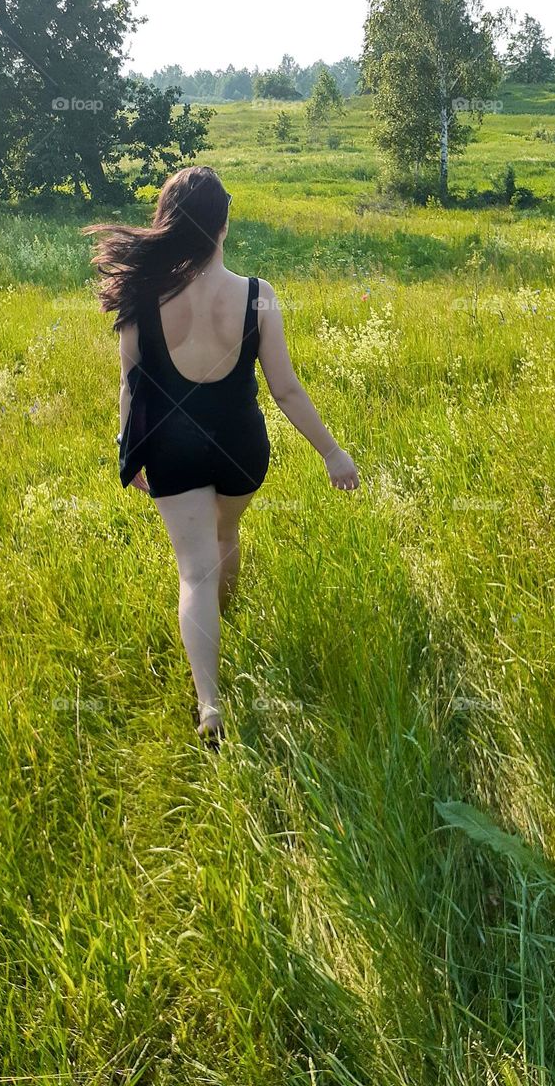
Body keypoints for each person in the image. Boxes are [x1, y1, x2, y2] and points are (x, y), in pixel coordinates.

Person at [83, 165, 359, 750]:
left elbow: (131, 383)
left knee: (193, 569)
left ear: (168, 222)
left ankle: (210, 706)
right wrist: (333, 454)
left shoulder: (140, 295)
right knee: (225, 536)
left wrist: (125, 452)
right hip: (240, 448)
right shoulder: (257, 297)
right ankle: (222, 615)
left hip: (171, 449)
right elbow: (285, 389)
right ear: (223, 226)